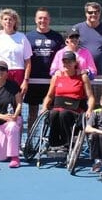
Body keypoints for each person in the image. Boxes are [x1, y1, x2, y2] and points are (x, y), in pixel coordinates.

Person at [42, 51, 95, 150]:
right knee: (53, 114)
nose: (67, 64)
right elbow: (49, 96)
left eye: (70, 61)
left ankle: (67, 142)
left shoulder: (83, 77)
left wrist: (89, 110)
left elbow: (91, 97)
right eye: (65, 61)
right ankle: (54, 142)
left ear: (75, 62)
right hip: (58, 107)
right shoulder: (56, 77)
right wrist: (44, 107)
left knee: (64, 114)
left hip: (75, 110)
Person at [25, 7, 64, 137]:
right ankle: (30, 140)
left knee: (52, 113)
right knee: (33, 113)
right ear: (35, 20)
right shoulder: (28, 37)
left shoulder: (57, 37)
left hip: (52, 82)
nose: (43, 20)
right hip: (33, 81)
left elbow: (63, 57)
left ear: (49, 20)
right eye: (40, 18)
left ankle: (50, 140)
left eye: (45, 18)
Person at [0, 8, 32, 94]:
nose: (8, 21)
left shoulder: (22, 37)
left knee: (15, 102)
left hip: (18, 73)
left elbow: (28, 61)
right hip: (0, 72)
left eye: (10, 19)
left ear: (15, 21)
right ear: (1, 22)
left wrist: (26, 80)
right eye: (5, 19)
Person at [0, 61, 23, 168]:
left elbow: (19, 102)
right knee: (0, 158)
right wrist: (4, 117)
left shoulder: (14, 85)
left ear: (7, 73)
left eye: (2, 69)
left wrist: (15, 115)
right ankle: (8, 147)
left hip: (12, 121)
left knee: (12, 127)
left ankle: (15, 157)